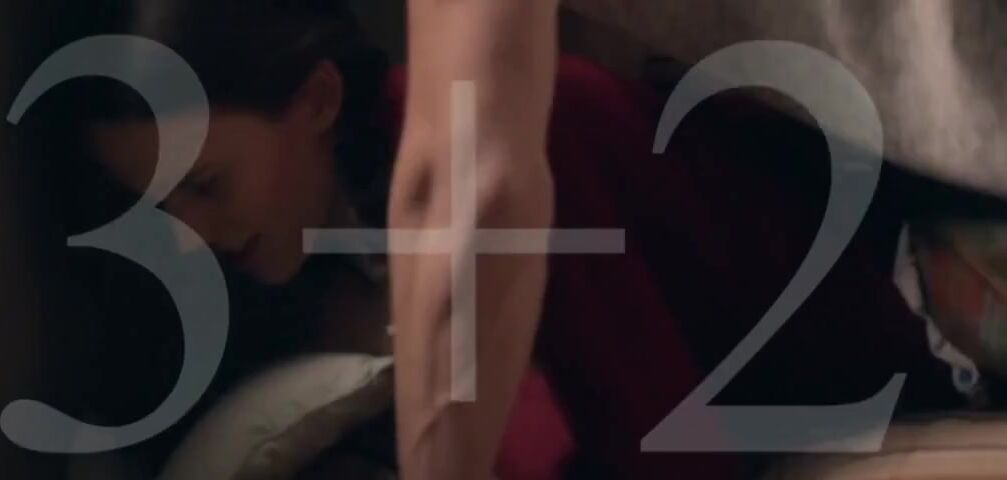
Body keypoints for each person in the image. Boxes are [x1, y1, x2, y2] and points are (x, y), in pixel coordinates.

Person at [42, 0, 986, 478]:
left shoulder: (513, 140)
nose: (192, 236)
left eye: (208, 186)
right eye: (161, 210)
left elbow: (670, 450)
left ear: (318, 101)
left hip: (911, 309)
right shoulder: (300, 279)